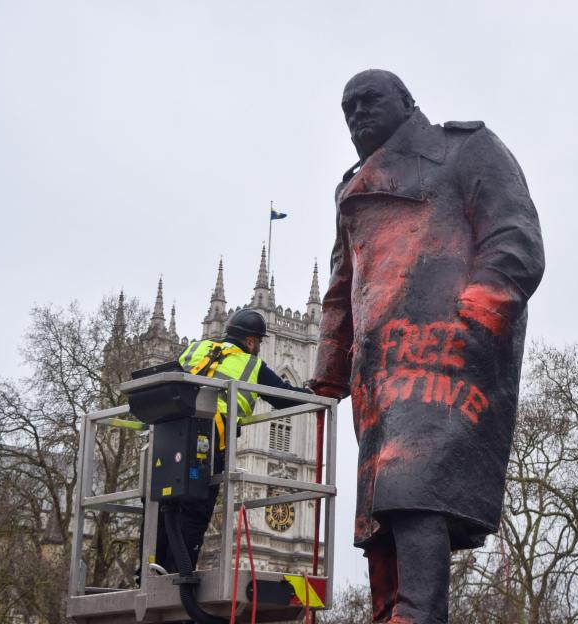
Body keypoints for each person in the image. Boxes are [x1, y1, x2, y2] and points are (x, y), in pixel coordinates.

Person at [309, 69, 545, 623]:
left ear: (406, 101)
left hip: (448, 348)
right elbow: (342, 289)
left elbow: (515, 237)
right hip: (377, 367)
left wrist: (478, 316)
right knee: (380, 505)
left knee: (412, 481)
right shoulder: (351, 191)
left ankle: (417, 612)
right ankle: (390, 610)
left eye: (369, 100)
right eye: (347, 108)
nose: (357, 114)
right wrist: (328, 374)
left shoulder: (468, 149)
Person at [154, 308, 312, 573]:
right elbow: (283, 397)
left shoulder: (196, 348)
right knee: (196, 508)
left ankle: (151, 569)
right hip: (209, 436)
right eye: (259, 343)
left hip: (171, 431)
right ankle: (180, 575)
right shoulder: (251, 364)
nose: (259, 348)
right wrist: (310, 394)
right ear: (250, 341)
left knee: (165, 503)